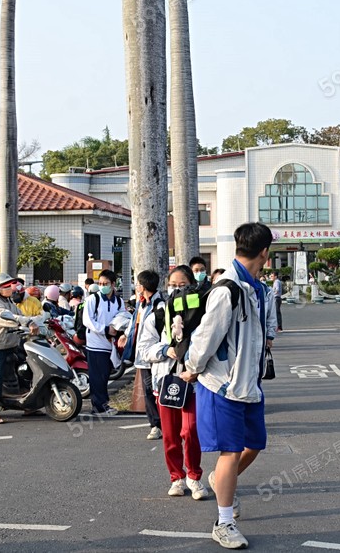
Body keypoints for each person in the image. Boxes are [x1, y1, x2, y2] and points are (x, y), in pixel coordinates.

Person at [182, 222, 277, 549]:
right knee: (231, 451)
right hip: (222, 385)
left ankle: (220, 480)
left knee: (255, 445)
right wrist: (191, 367)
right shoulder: (228, 289)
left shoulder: (257, 288)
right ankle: (223, 522)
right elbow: (206, 336)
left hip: (249, 384)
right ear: (264, 252)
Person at [141, 265, 209, 500]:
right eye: (173, 285)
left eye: (183, 285)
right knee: (170, 434)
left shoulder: (201, 313)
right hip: (167, 382)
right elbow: (143, 350)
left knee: (190, 431)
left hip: (193, 381)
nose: (177, 289)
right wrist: (166, 350)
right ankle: (176, 478)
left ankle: (194, 476)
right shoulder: (158, 315)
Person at [0, 273, 38, 424]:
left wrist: (36, 321)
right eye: (5, 286)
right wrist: (23, 321)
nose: (10, 288)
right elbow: (7, 317)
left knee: (27, 368)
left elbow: (20, 315)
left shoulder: (9, 301)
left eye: (10, 285)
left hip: (11, 345)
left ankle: (28, 405)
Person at [122, 270, 164, 440]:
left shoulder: (159, 306)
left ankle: (162, 424)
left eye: (138, 284)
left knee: (157, 390)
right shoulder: (141, 304)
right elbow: (134, 323)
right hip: (143, 357)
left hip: (156, 357)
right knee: (148, 391)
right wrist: (126, 335)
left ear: (144, 286)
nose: (136, 286)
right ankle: (155, 424)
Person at [83, 270, 125, 416]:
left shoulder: (118, 301)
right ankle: (99, 406)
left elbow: (122, 316)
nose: (102, 286)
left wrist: (117, 330)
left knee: (105, 375)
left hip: (109, 344)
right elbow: (88, 321)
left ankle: (103, 404)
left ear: (113, 284)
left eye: (105, 283)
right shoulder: (93, 300)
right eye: (100, 283)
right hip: (95, 343)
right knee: (97, 376)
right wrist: (105, 329)